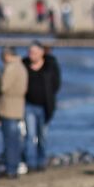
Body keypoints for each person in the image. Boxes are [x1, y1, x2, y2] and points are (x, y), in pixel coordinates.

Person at [22, 42, 61, 173]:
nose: (31, 55)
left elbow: (56, 84)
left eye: (34, 52)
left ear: (41, 52)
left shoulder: (50, 65)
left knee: (42, 136)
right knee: (30, 135)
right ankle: (30, 163)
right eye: (29, 52)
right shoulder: (24, 65)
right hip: (29, 106)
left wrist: (50, 96)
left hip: (45, 107)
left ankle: (41, 161)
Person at [0, 47, 27, 177]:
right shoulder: (22, 67)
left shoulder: (11, 68)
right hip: (19, 107)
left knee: (9, 140)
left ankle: (10, 168)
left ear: (7, 55)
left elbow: (3, 86)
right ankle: (14, 166)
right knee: (15, 140)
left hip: (8, 108)